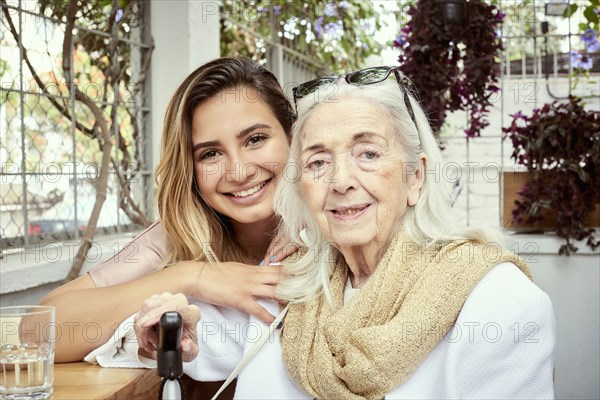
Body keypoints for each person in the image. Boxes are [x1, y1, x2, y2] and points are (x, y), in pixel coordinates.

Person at [132, 66, 556, 399]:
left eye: (367, 153)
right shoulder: (291, 288)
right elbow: (169, 337)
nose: (341, 181)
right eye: (318, 162)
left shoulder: (498, 301)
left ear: (415, 177)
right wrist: (167, 326)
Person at [38, 57, 297, 364]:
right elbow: (38, 333)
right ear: (189, 168)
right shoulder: (179, 234)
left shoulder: (339, 216)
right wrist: (192, 275)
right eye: (210, 153)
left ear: (293, 137)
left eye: (256, 139)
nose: (238, 173)